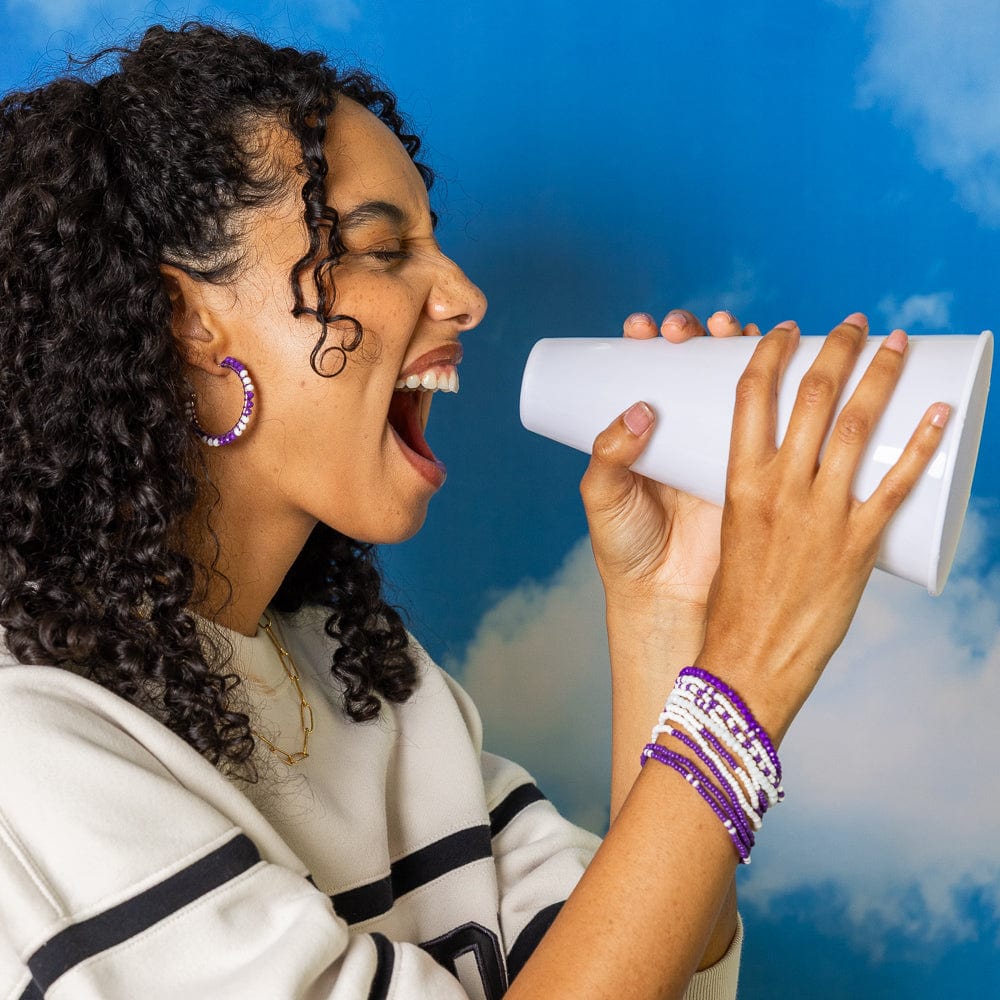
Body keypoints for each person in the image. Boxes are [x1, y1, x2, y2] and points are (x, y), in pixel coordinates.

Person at [0, 22, 949, 1000]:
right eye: (381, 247)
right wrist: (752, 662)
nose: (463, 295)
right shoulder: (31, 748)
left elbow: (643, 969)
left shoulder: (375, 685)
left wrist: (667, 606)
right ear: (188, 321)